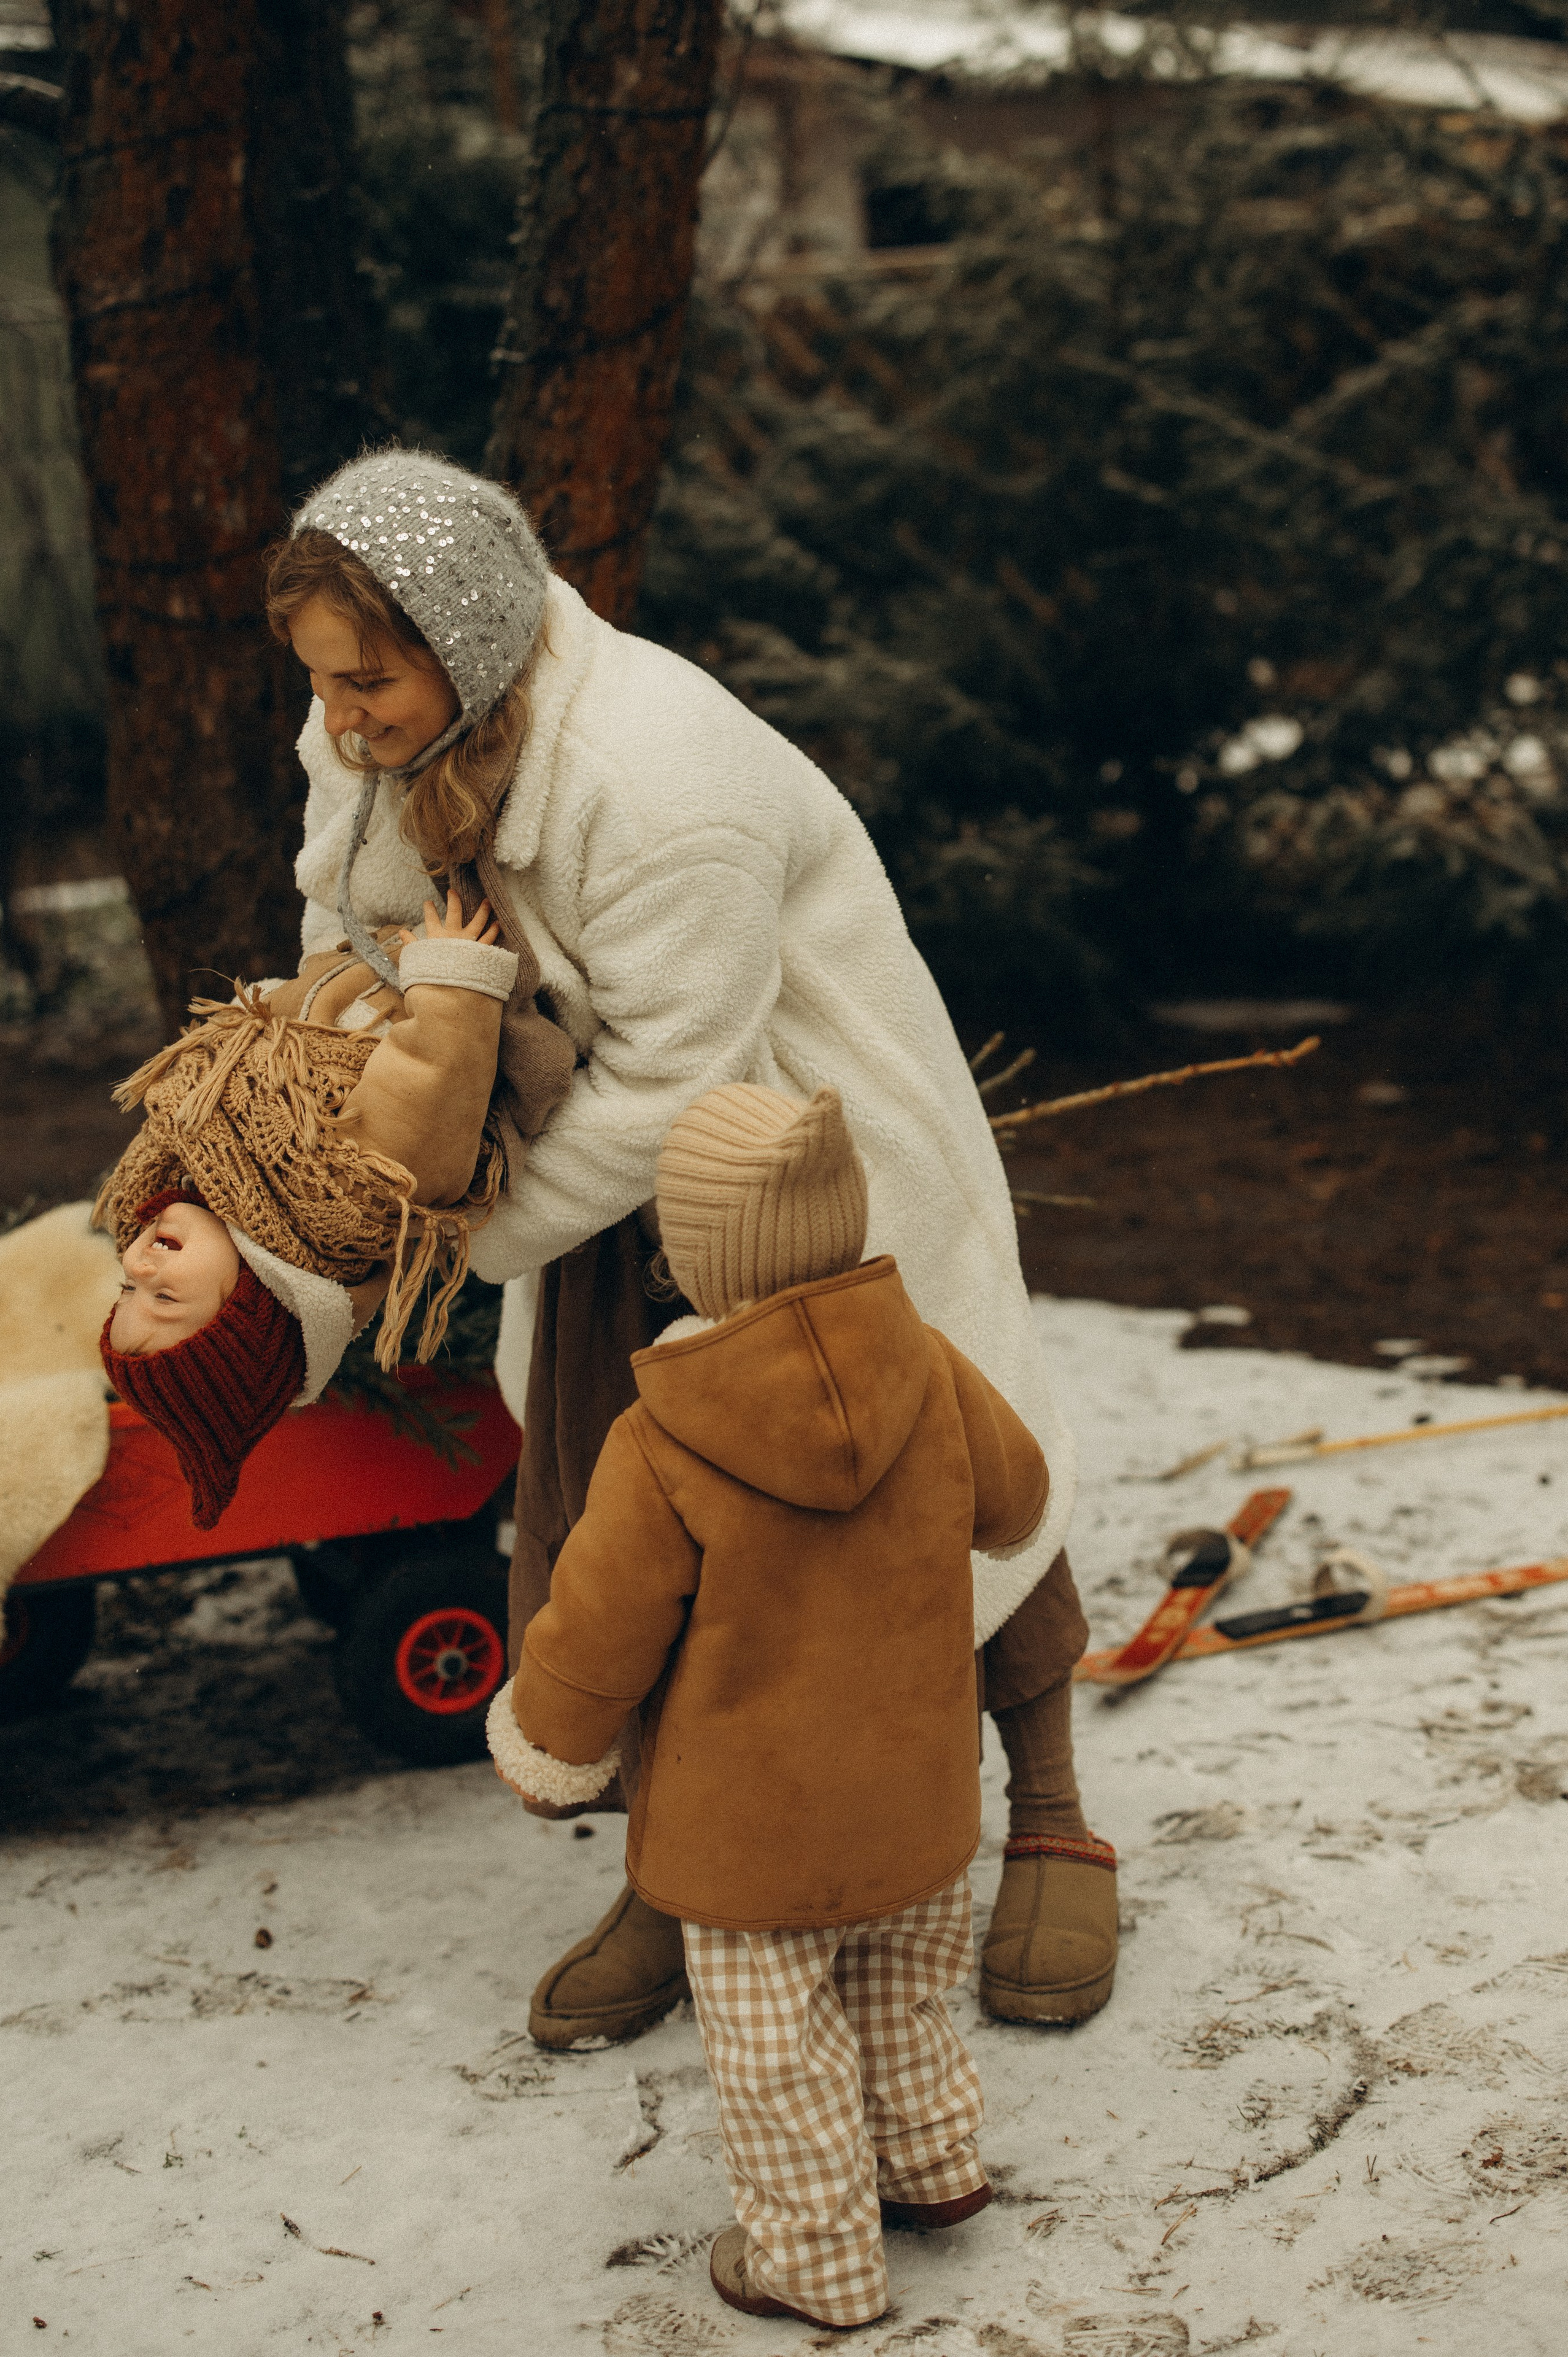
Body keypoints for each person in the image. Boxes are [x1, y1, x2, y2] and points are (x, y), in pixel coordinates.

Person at [266, 444, 1119, 2045]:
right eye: (317, 681)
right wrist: (339, 1112)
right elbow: (345, 920)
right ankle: (687, 1866)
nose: (336, 718)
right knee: (622, 1498)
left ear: (460, 647)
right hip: (595, 1140)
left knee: (930, 1445)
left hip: (797, 1146)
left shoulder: (657, 778)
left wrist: (459, 1243)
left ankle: (1057, 1810)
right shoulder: (373, 723)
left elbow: (684, 1078)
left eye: (364, 681)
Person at [489, 1083, 1044, 2332]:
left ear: (688, 1257)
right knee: (900, 1993)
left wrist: (546, 1744)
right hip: (914, 1797)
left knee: (777, 2053)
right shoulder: (929, 1362)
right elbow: (1012, 1503)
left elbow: (596, 1632)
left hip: (751, 1838)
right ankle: (933, 2166)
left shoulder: (665, 1432)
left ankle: (814, 2260)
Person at [96, 891, 574, 1527]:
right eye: (164, 1301)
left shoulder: (239, 1155)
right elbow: (434, 1079)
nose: (141, 1268)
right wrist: (456, 972)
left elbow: (274, 1018)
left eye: (127, 1287)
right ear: (254, 1303)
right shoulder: (352, 1197)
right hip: (471, 956)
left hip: (396, 941)